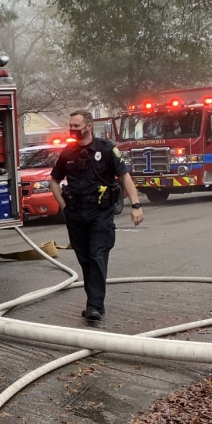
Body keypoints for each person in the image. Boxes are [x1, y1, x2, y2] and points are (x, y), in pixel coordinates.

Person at [50, 110, 144, 322]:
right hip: (75, 214)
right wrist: (64, 206)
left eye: (76, 126)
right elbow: (54, 181)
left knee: (97, 256)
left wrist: (136, 205)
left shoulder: (107, 148)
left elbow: (125, 177)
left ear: (89, 126)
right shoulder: (67, 152)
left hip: (100, 214)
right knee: (85, 260)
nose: (72, 129)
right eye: (71, 125)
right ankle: (93, 301)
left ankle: (94, 305)